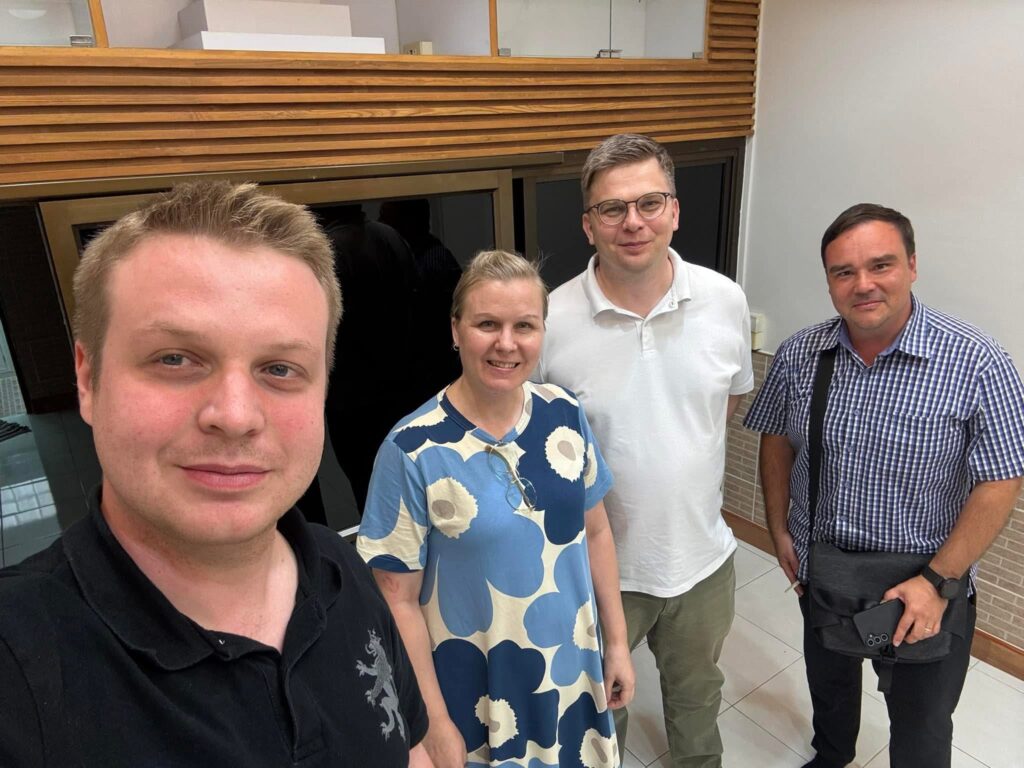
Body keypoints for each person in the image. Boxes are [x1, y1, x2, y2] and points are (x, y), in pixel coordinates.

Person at [0, 181, 430, 767]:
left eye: (280, 368)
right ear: (88, 378)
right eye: (175, 358)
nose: (234, 415)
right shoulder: (20, 668)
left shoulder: (341, 570)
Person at [743, 203, 1024, 768]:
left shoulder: (977, 361)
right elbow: (776, 440)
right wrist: (779, 530)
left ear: (912, 266)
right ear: (828, 280)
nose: (863, 284)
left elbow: (1001, 479)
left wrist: (937, 581)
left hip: (926, 581)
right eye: (844, 271)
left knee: (921, 728)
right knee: (830, 691)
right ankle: (832, 756)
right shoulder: (801, 353)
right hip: (826, 572)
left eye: (881, 265)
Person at [357, 249, 635, 768]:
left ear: (542, 332)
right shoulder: (412, 449)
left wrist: (616, 644)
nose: (506, 343)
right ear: (456, 330)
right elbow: (397, 600)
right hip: (479, 690)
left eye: (524, 325)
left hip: (572, 668)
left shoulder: (563, 413)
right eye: (487, 324)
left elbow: (596, 532)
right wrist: (434, 721)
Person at [538, 134, 754, 768]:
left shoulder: (725, 300)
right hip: (594, 573)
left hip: (702, 561)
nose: (632, 222)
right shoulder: (550, 319)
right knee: (599, 712)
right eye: (612, 208)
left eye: (649, 203)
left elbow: (725, 405)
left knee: (698, 701)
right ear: (588, 225)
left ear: (674, 211)